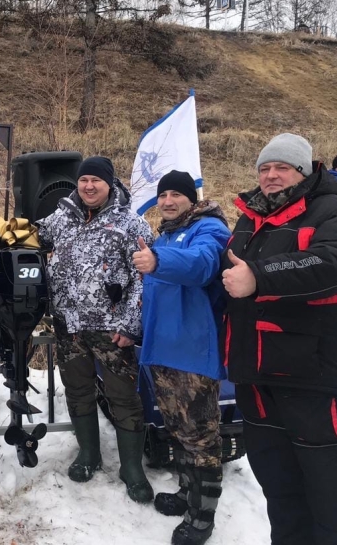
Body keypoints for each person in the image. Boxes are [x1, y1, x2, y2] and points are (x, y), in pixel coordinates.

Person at [221, 133, 337, 545]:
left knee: (336, 503)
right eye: (264, 168)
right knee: (282, 495)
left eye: (281, 168)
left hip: (316, 382)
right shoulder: (249, 219)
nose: (270, 176)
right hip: (256, 379)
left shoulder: (336, 212)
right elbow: (225, 275)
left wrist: (259, 276)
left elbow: (334, 262)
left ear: (303, 172)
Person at [36, 156, 154, 503]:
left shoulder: (132, 224)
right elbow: (30, 238)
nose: (88, 186)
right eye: (83, 180)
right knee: (78, 390)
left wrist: (131, 325)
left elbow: (143, 279)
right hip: (69, 325)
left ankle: (132, 468)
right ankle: (89, 455)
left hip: (112, 328)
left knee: (123, 397)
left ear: (109, 184)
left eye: (96, 181)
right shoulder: (60, 218)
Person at [132, 171, 230, 545]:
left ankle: (203, 516)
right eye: (163, 195)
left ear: (193, 198)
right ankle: (187, 493)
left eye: (176, 194)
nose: (168, 200)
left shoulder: (210, 229)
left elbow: (202, 265)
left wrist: (157, 260)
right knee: (178, 428)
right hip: (162, 349)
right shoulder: (167, 233)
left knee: (201, 437)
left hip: (193, 352)